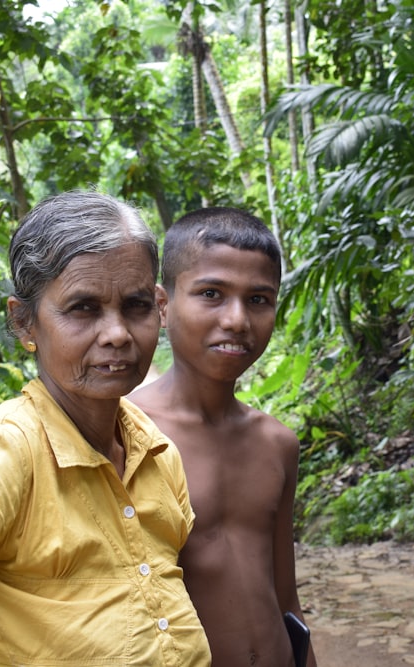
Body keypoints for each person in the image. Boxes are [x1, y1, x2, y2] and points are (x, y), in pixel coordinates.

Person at [0, 191, 212, 667]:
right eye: (83, 308)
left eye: (135, 305)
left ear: (159, 307)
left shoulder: (153, 450)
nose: (117, 333)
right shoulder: (6, 454)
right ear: (24, 322)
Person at [130, 207, 317, 667]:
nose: (237, 319)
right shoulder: (127, 434)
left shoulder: (277, 443)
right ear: (163, 305)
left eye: (259, 299)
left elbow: (285, 597)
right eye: (211, 293)